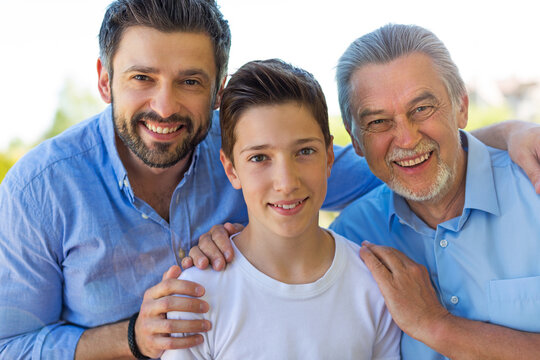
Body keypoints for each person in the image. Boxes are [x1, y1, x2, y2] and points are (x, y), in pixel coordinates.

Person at [0, 1, 382, 359]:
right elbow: (9, 345)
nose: (164, 107)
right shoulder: (38, 190)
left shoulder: (251, 147)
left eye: (190, 82)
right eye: (142, 77)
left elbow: (390, 174)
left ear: (218, 90)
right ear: (104, 80)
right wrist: (132, 337)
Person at [162, 58, 401, 360]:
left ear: (329, 155)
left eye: (304, 152)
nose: (286, 183)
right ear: (231, 169)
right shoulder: (197, 295)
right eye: (260, 158)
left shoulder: (372, 286)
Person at [329, 24, 540, 359]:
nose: (408, 139)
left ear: (461, 108)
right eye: (378, 122)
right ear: (355, 141)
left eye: (422, 109)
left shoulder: (533, 188)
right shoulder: (351, 238)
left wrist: (435, 325)